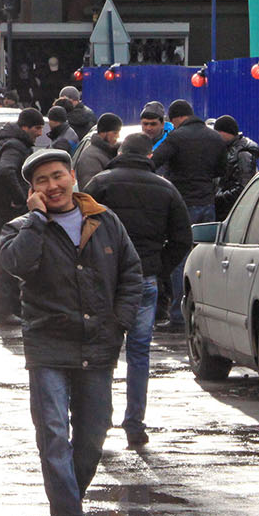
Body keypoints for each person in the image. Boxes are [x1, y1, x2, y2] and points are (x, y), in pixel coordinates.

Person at [0, 148, 143, 516]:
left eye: (57, 176)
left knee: (94, 431)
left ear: (73, 176)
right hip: (48, 343)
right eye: (41, 181)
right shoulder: (20, 228)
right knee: (53, 432)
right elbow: (16, 265)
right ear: (31, 190)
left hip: (98, 342)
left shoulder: (105, 221)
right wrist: (37, 221)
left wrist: (120, 321)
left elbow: (132, 273)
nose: (52, 186)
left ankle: (69, 502)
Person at [83, 133, 192, 448]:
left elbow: (80, 228)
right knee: (139, 353)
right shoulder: (166, 189)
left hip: (105, 281)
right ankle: (135, 424)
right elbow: (182, 239)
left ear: (121, 151)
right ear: (149, 155)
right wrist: (159, 266)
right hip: (145, 279)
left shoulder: (100, 184)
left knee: (103, 354)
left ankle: (99, 425)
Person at [0, 107, 45, 329]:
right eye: (37, 128)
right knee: (4, 259)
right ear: (25, 127)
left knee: (6, 257)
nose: (39, 133)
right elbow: (6, 171)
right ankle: (3, 310)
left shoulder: (12, 143)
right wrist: (21, 199)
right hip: (2, 210)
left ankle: (9, 309)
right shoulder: (15, 146)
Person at [151, 100, 225, 224]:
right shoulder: (215, 137)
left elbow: (155, 161)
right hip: (207, 202)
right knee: (204, 241)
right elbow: (222, 169)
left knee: (183, 240)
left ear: (179, 117)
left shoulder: (176, 137)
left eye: (172, 120)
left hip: (183, 201)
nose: (173, 125)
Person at [213, 116, 259, 219]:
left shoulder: (243, 154)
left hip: (234, 213)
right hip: (229, 210)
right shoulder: (230, 149)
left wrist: (218, 197)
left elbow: (244, 188)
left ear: (225, 132)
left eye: (217, 133)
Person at [73, 113, 122, 189]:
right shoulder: (90, 158)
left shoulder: (112, 152)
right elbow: (91, 190)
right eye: (115, 133)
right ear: (103, 132)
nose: (118, 136)